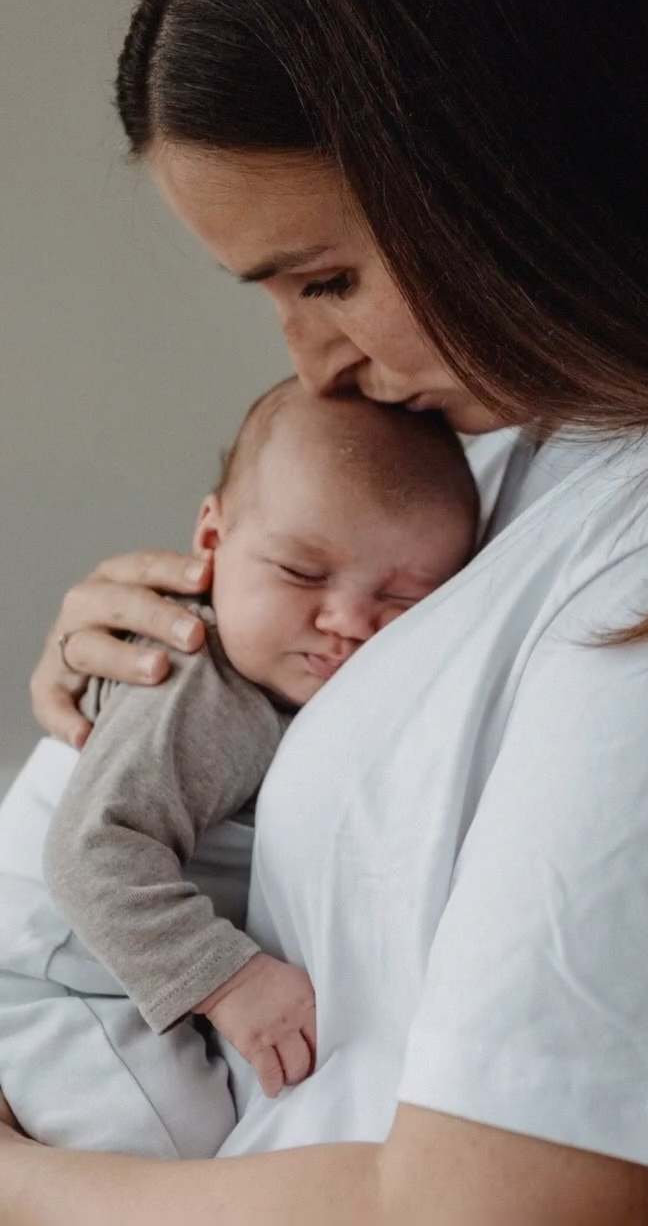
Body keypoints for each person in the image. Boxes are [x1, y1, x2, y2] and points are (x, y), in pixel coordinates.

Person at [2, 0, 648, 1222]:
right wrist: (180, 658)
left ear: (512, 170)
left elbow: (491, 1209)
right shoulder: (513, 455)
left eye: (329, 280)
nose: (317, 367)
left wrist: (19, 1182)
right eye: (276, 295)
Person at [0, 377, 478, 1157]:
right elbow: (90, 854)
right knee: (174, 1143)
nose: (347, 623)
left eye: (403, 597)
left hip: (106, 955)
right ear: (212, 543)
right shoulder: (198, 682)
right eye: (302, 574)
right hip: (48, 962)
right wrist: (230, 981)